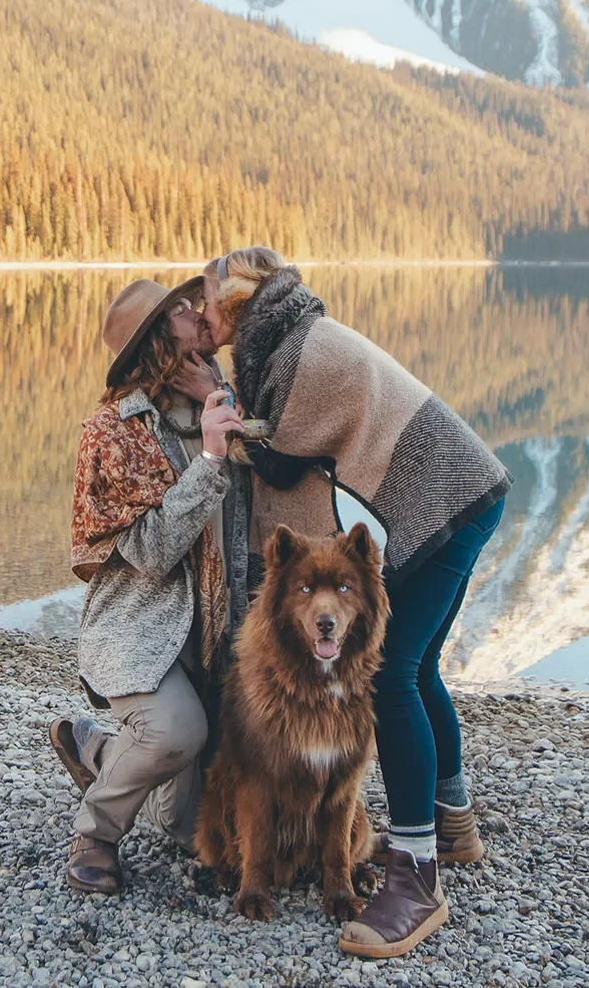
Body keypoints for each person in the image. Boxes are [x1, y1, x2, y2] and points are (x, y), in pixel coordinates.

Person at [199, 247, 510, 960]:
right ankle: (453, 819)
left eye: (208, 300)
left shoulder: (305, 353)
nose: (200, 314)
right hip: (467, 494)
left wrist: (212, 398)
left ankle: (415, 875)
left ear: (238, 303)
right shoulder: (294, 338)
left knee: (391, 675)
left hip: (445, 504)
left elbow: (277, 457)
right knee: (422, 666)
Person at [47, 276, 253, 895]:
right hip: (141, 630)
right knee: (176, 734)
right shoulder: (112, 432)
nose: (203, 318)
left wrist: (222, 407)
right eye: (186, 313)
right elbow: (153, 550)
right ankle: (96, 834)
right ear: (162, 341)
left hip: (215, 638)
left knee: (188, 826)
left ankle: (105, 755)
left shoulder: (217, 404)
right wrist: (213, 461)